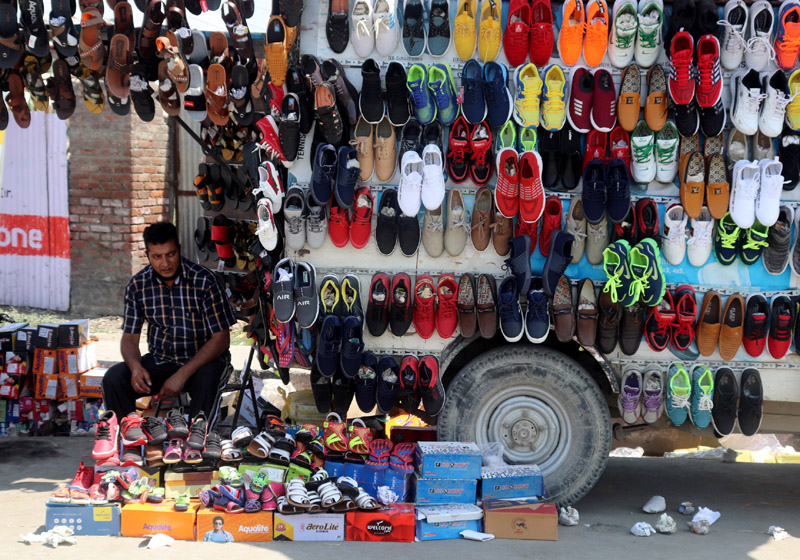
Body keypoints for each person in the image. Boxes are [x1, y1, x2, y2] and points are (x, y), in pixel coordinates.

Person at [102, 221, 236, 421]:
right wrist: (136, 368)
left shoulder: (205, 281)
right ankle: (129, 436)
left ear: (179, 250)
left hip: (202, 363)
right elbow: (129, 338)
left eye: (170, 254)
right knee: (113, 379)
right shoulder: (137, 286)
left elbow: (221, 339)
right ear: (147, 255)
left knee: (208, 377)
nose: (165, 264)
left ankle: (196, 438)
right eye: (156, 256)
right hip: (160, 361)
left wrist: (181, 375)